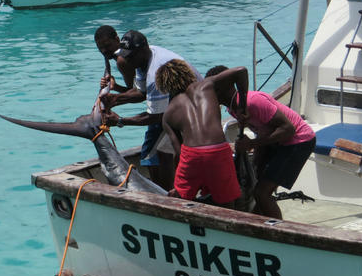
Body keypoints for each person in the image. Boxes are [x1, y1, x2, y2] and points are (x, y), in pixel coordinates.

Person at [207, 65, 316, 219]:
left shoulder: (252, 102)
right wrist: (256, 157)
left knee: (262, 193)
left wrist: (251, 144)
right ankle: (256, 220)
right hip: (276, 141)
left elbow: (288, 129)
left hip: (299, 140)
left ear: (220, 88)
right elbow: (262, 130)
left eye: (210, 88)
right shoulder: (233, 108)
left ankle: (279, 233)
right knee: (256, 184)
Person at [102, 31, 201, 189]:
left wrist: (120, 121)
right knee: (153, 150)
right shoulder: (144, 59)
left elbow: (156, 117)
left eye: (130, 56)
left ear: (141, 51)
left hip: (195, 109)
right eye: (125, 55)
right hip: (177, 104)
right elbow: (141, 92)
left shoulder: (156, 72)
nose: (126, 60)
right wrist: (115, 99)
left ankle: (167, 194)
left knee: (155, 152)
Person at [156, 60, 249, 207]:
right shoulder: (206, 85)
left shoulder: (168, 114)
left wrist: (180, 184)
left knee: (181, 200)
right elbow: (241, 70)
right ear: (188, 74)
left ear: (164, 86)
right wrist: (242, 106)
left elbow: (178, 154)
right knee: (227, 204)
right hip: (218, 150)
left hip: (191, 154)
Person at [94, 25, 134, 92]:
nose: (104, 51)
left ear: (117, 39)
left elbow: (138, 94)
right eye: (100, 48)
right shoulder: (123, 46)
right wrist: (108, 74)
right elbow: (106, 56)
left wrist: (115, 87)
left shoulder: (123, 61)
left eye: (107, 46)